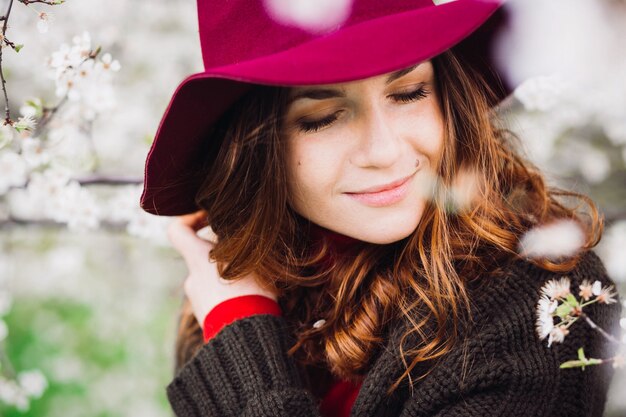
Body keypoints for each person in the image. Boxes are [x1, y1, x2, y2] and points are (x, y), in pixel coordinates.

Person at [140, 0, 623, 416]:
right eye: (322, 118)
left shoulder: (549, 302)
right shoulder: (241, 288)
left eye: (409, 93)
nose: (385, 151)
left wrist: (239, 336)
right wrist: (239, 314)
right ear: (252, 151)